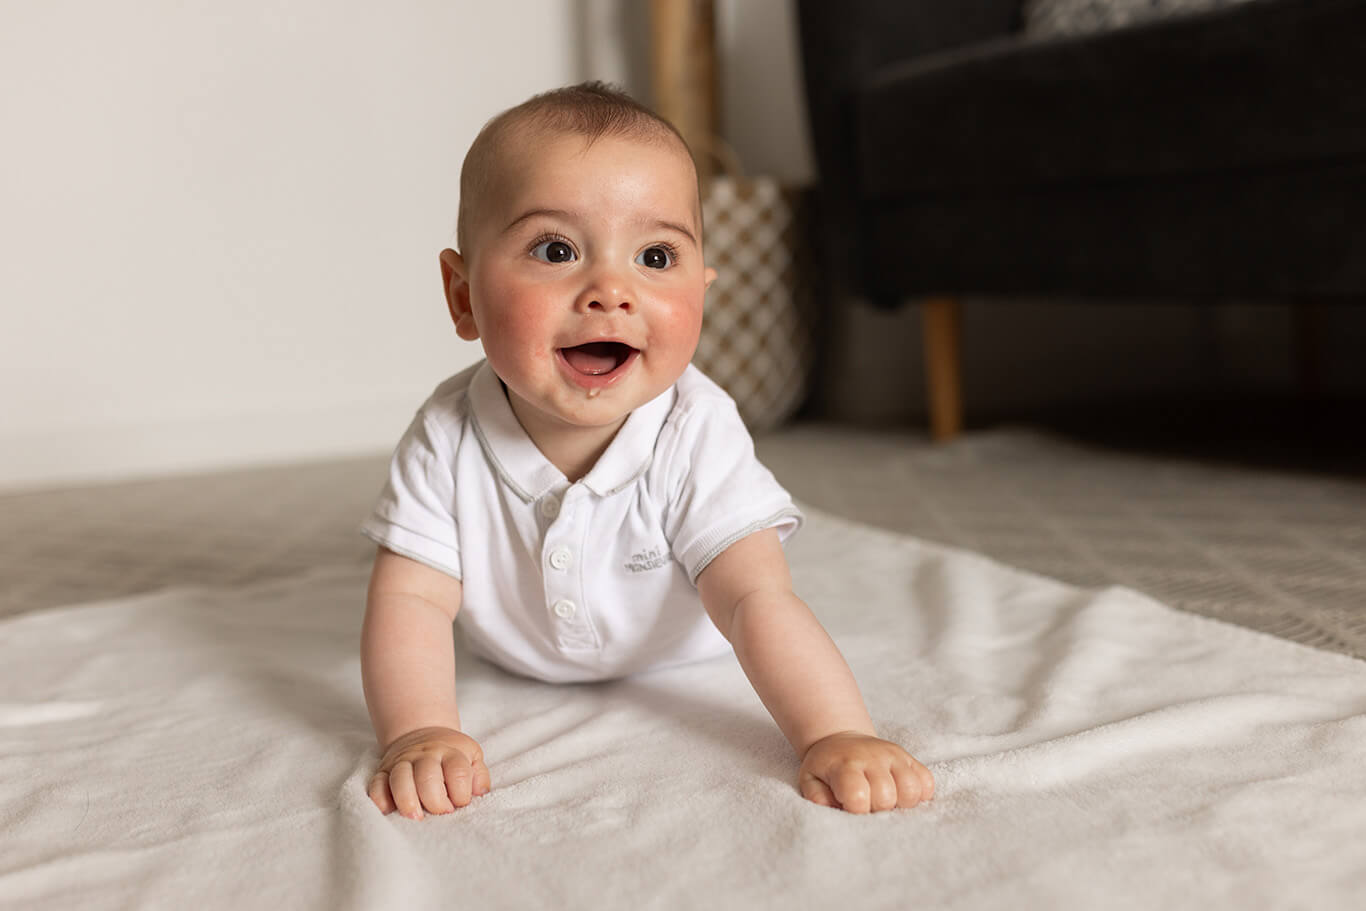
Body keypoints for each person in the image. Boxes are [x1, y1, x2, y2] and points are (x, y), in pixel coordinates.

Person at [359, 81, 934, 819]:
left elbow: (757, 595)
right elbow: (410, 597)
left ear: (704, 288)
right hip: (512, 663)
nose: (611, 289)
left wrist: (837, 732)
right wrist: (418, 729)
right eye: (556, 248)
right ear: (464, 295)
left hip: (687, 657)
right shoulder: (447, 434)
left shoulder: (695, 429)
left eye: (656, 256)